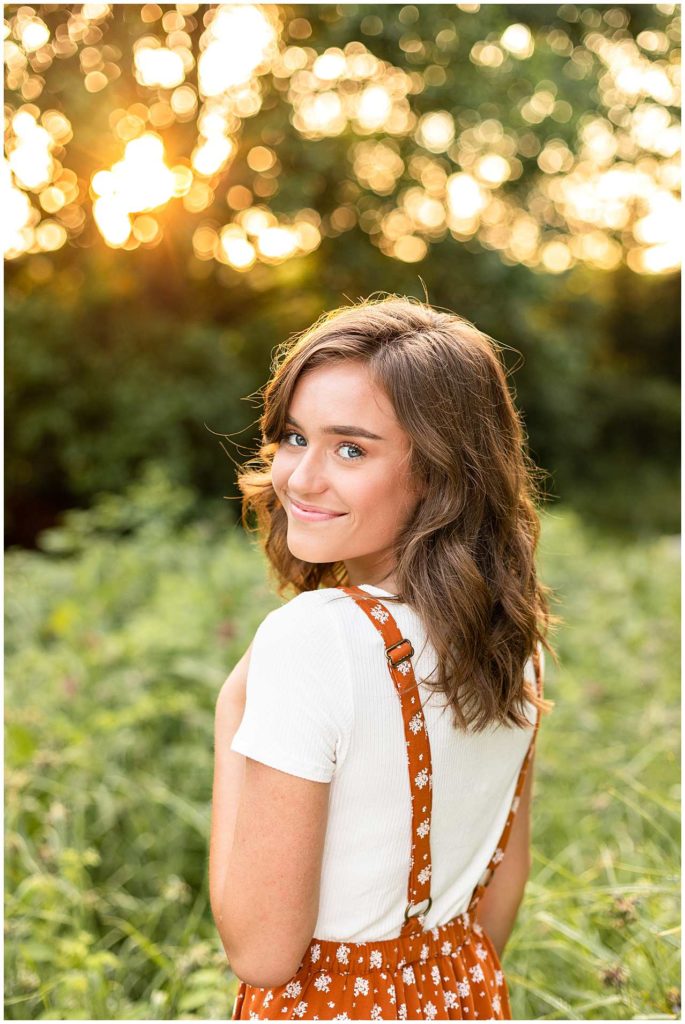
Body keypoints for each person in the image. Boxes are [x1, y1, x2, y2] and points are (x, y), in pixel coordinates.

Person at [209, 295, 557, 1020]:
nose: (299, 479)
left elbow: (262, 953)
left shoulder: (314, 637)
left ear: (436, 471)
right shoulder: (511, 638)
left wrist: (229, 715)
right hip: (463, 993)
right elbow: (501, 894)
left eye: (350, 448)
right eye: (295, 438)